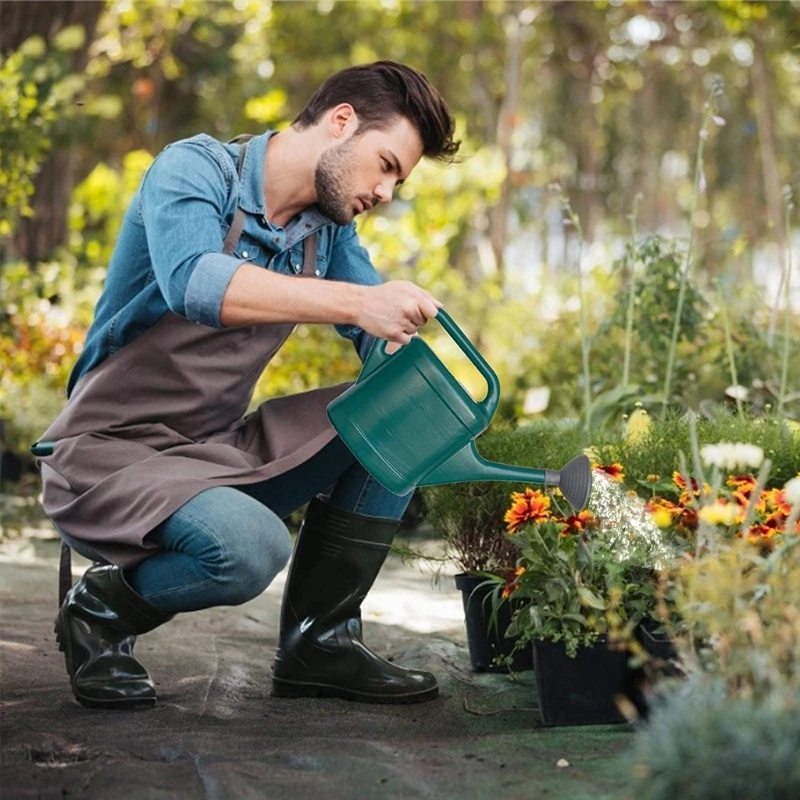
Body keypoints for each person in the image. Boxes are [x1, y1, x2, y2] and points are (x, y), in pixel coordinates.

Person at [33, 60, 460, 709]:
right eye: (386, 164)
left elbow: (378, 326)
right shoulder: (196, 170)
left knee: (400, 414)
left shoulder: (328, 234)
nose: (387, 190)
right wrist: (351, 303)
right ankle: (99, 610)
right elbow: (196, 283)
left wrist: (415, 371)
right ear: (341, 121)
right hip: (108, 453)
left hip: (210, 451)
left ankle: (320, 643)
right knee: (248, 549)